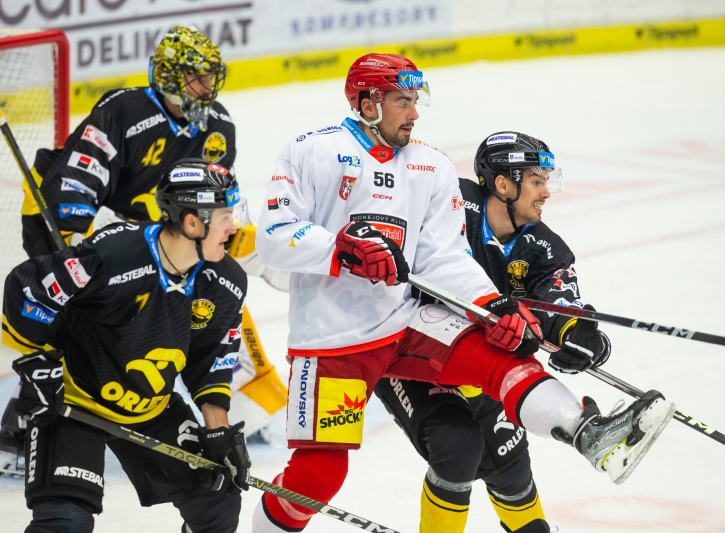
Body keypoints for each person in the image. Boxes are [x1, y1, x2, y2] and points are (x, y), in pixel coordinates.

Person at [252, 53, 675, 532]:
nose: (413, 113)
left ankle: (587, 435)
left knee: (501, 356)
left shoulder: (430, 166)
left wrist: (491, 304)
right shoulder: (312, 151)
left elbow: (444, 257)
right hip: (333, 339)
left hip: (406, 321)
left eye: (415, 101)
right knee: (317, 477)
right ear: (369, 102)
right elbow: (273, 237)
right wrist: (341, 250)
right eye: (401, 101)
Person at [1, 25, 284, 470]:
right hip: (78, 225)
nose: (209, 87)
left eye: (213, 77)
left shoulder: (219, 126)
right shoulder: (125, 110)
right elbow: (75, 184)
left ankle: (243, 403)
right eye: (198, 77)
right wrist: (84, 246)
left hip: (163, 242)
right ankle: (23, 424)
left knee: (216, 303)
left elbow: (213, 197)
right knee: (77, 319)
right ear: (169, 76)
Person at [374, 132, 612, 532]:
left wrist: (579, 334)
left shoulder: (545, 247)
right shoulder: (446, 202)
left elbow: (557, 304)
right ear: (503, 184)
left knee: (513, 478)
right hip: (411, 354)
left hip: (482, 365)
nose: (546, 192)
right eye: (537, 181)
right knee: (457, 449)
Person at [2, 159, 251, 532]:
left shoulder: (225, 281)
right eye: (225, 216)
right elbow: (27, 291)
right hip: (73, 400)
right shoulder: (115, 255)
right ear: (192, 222)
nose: (235, 227)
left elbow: (210, 356)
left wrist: (218, 431)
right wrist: (40, 363)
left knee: (218, 507)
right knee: (65, 522)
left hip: (150, 406)